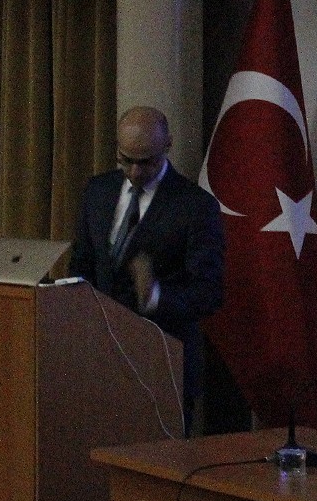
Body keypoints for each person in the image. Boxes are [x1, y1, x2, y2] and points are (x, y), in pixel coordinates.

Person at [68, 106, 224, 430]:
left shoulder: (196, 206)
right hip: (101, 358)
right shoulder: (98, 191)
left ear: (168, 145)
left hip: (162, 361)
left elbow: (209, 292)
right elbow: (82, 262)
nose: (135, 171)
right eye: (126, 160)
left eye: (147, 161)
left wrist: (154, 296)